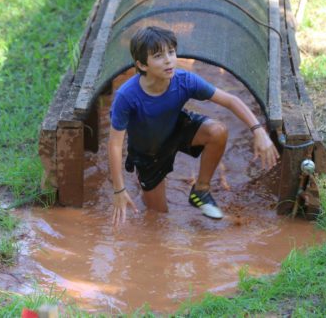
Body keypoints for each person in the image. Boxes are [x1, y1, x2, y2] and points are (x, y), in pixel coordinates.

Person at [108, 26, 279, 225]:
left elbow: (231, 101)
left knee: (217, 131)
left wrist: (258, 131)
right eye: (158, 56)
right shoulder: (126, 96)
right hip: (148, 153)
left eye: (171, 52)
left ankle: (201, 190)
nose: (168, 60)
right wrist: (119, 190)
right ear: (142, 65)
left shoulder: (184, 81)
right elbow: (114, 145)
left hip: (176, 129)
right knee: (158, 217)